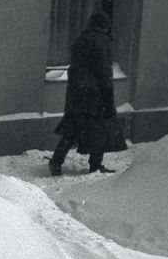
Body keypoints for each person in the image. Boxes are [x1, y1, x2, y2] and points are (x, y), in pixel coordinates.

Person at [48, 11, 123, 176]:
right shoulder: (102, 41)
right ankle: (95, 166)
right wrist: (108, 98)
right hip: (95, 93)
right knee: (99, 130)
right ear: (106, 27)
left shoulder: (81, 39)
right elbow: (104, 72)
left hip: (76, 91)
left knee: (73, 129)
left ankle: (56, 161)